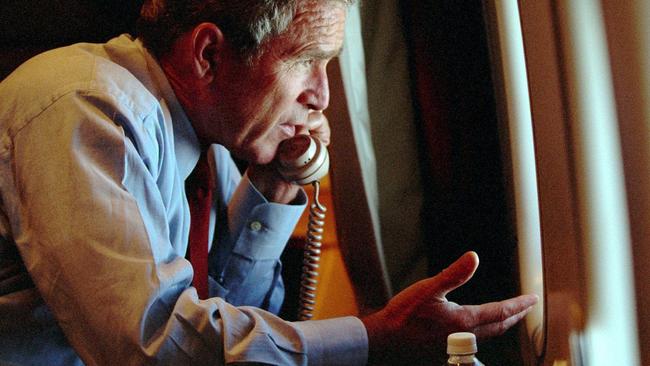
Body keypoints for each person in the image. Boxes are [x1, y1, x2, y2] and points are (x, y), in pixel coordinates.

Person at [0, 0, 538, 364]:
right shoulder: (85, 106)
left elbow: (227, 317)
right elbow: (151, 345)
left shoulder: (214, 145)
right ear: (209, 55)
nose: (322, 97)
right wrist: (375, 338)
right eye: (308, 61)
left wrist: (278, 183)